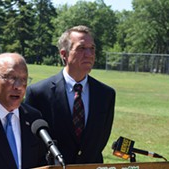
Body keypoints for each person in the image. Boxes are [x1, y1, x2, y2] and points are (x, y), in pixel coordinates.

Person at [24, 25, 116, 164]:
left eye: (92, 48)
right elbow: (31, 143)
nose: (89, 54)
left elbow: (100, 140)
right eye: (81, 48)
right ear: (64, 54)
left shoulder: (106, 95)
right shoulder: (38, 93)